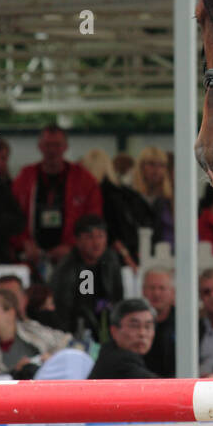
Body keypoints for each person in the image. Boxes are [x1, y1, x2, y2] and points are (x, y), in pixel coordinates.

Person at [11, 126, 102, 270]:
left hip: (74, 260)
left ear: (65, 147)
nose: (52, 150)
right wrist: (24, 243)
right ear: (40, 147)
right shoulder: (25, 177)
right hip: (31, 260)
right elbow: (13, 216)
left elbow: (93, 220)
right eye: (48, 145)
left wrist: (73, 245)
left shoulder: (84, 180)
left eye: (57, 145)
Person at [49, 214, 125, 343]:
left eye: (100, 236)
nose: (96, 243)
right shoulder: (69, 268)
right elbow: (67, 311)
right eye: (90, 237)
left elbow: (118, 297)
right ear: (78, 241)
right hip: (78, 333)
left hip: (108, 327)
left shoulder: (110, 260)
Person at [0, 287, 74, 378]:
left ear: (10, 313)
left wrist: (53, 359)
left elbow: (68, 343)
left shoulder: (33, 330)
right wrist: (15, 372)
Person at [80, 149, 155, 268]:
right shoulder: (122, 193)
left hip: (109, 257)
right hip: (128, 255)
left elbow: (112, 231)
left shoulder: (98, 195)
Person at [88, 299, 158, 380]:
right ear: (114, 331)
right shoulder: (119, 361)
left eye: (147, 326)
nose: (142, 333)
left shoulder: (109, 351)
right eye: (134, 326)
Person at [131, 147, 174, 250]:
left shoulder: (170, 199)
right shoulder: (129, 197)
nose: (156, 170)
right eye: (151, 164)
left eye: (161, 165)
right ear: (141, 166)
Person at [141, 266, 176, 377]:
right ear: (143, 291)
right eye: (152, 288)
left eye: (162, 288)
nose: (156, 293)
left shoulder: (184, 323)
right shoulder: (134, 323)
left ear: (172, 292)